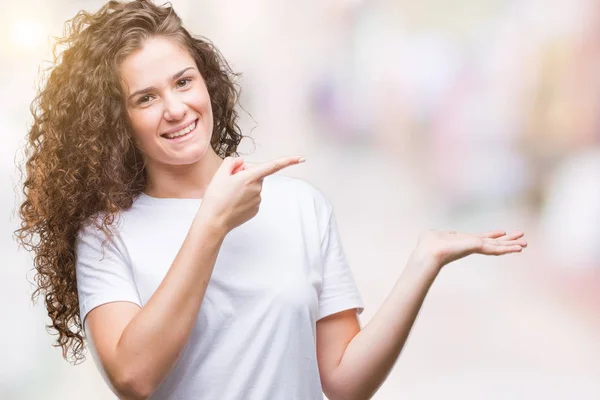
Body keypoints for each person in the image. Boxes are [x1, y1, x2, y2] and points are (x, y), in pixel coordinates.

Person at [14, 1, 528, 399]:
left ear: (207, 82)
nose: (175, 108)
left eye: (183, 81)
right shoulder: (106, 235)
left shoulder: (299, 207)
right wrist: (211, 224)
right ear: (117, 120)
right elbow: (134, 377)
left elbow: (345, 383)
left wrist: (424, 261)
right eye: (145, 98)